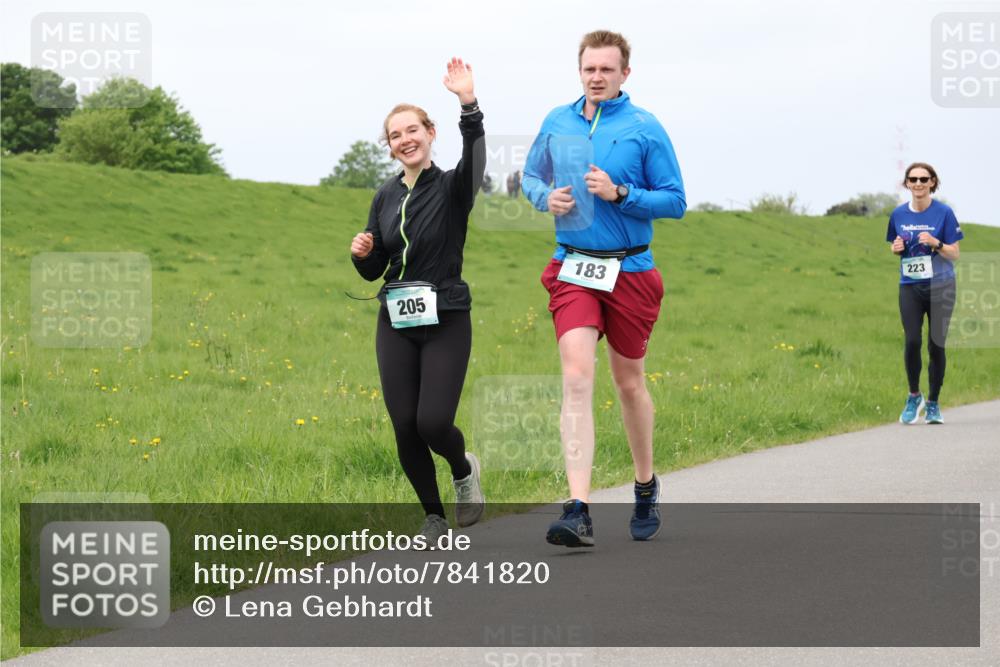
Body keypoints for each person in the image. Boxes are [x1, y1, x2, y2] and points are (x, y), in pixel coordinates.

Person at [521, 31, 686, 547]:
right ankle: (577, 508)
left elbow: (675, 201)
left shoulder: (645, 128)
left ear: (624, 74)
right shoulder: (557, 120)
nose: (597, 77)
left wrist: (622, 193)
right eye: (589, 69)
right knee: (575, 376)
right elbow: (529, 177)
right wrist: (546, 198)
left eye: (606, 70)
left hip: (631, 270)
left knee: (629, 383)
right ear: (580, 71)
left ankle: (644, 484)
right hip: (574, 267)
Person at [350, 58, 486, 545]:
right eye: (395, 135)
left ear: (430, 133)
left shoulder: (453, 187)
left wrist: (468, 104)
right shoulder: (385, 197)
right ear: (389, 147)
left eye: (413, 130)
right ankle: (433, 516)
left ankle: (462, 466)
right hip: (396, 318)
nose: (405, 139)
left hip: (446, 316)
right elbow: (376, 263)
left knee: (433, 422)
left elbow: (476, 155)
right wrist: (361, 254)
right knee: (405, 424)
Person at [887, 162, 963, 425]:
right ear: (907, 183)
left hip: (941, 285)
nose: (918, 184)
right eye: (913, 179)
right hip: (910, 285)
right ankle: (913, 395)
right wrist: (896, 248)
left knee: (936, 343)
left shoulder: (944, 213)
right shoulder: (898, 215)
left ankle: (933, 402)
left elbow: (955, 253)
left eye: (923, 179)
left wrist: (936, 243)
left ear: (932, 182)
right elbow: (895, 246)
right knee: (911, 341)